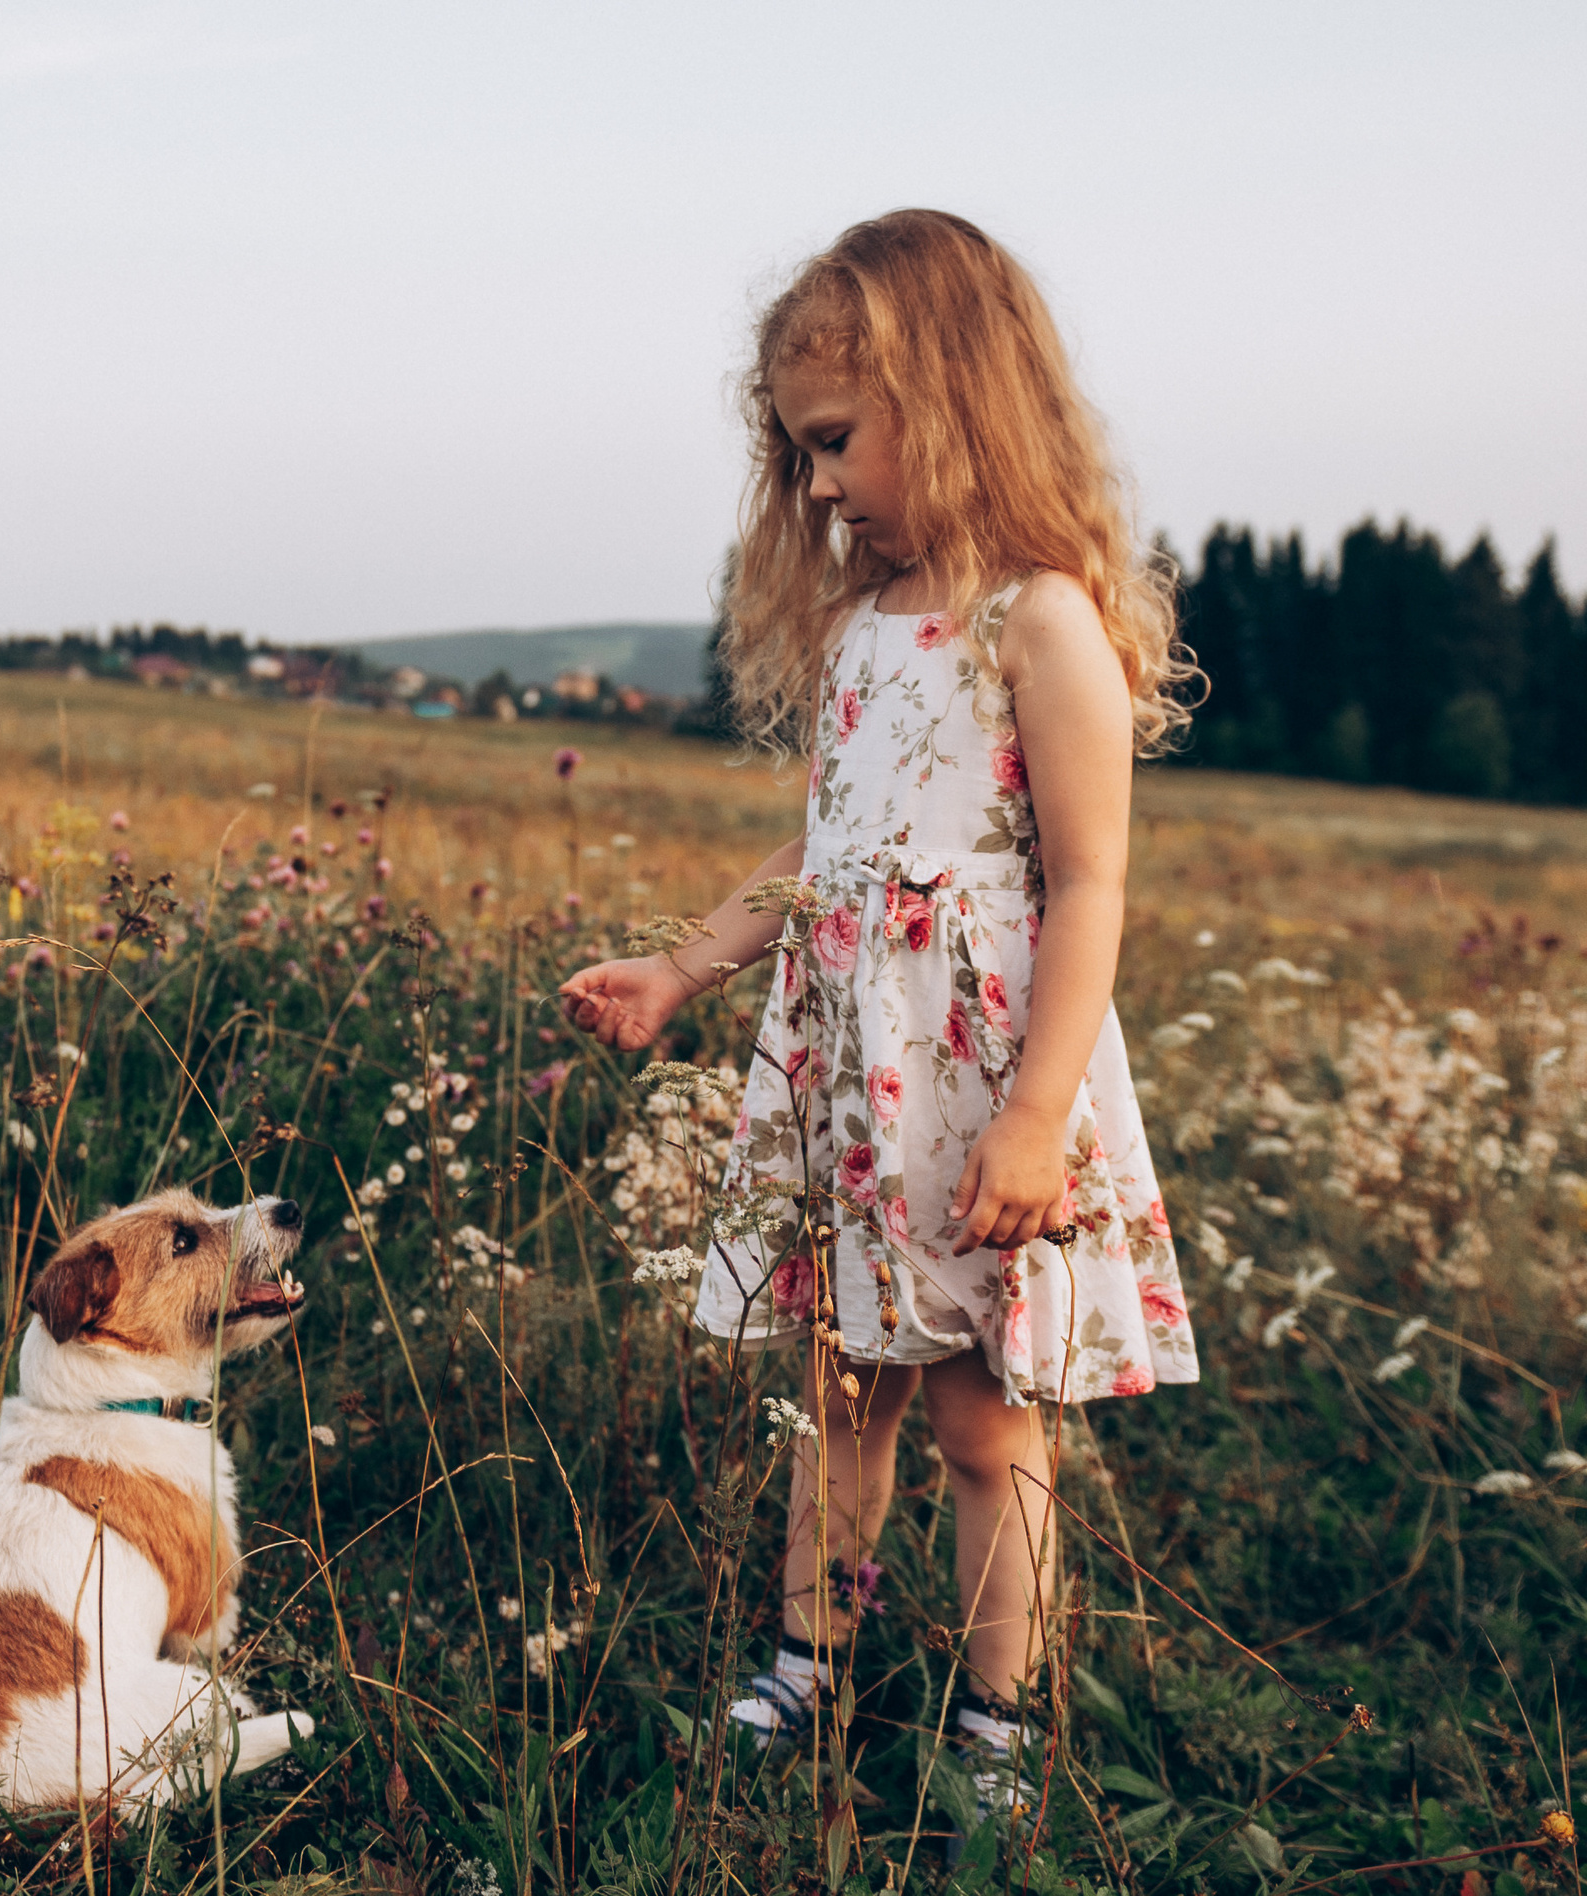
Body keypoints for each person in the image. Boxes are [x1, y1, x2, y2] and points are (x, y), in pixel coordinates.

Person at [558, 209, 1200, 1820]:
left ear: (955, 395)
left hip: (984, 1088)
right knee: (840, 1395)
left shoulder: (1039, 621)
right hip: (857, 1086)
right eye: (799, 457)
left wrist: (1041, 1113)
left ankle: (995, 1719)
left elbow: (1091, 888)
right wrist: (687, 963)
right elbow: (833, 846)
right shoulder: (863, 631)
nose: (821, 485)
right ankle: (809, 1665)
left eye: (836, 442)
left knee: (988, 1426)